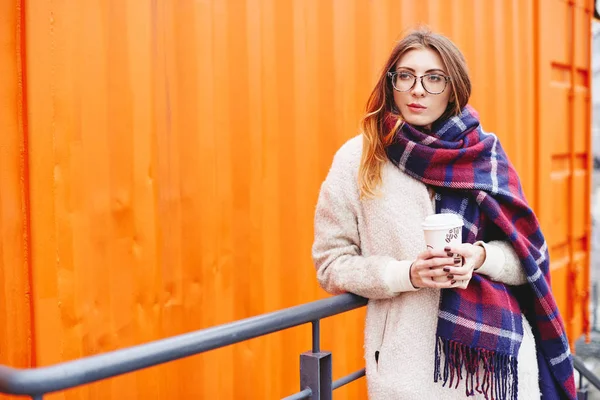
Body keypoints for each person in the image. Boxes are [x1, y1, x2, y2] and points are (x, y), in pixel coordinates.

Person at [312, 28, 576, 399]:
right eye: (405, 75)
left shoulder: (487, 156)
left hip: (495, 370)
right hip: (405, 373)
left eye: (434, 78)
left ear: (454, 88)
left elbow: (527, 257)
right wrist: (407, 274)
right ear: (391, 83)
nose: (418, 89)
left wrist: (480, 257)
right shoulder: (358, 159)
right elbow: (330, 263)